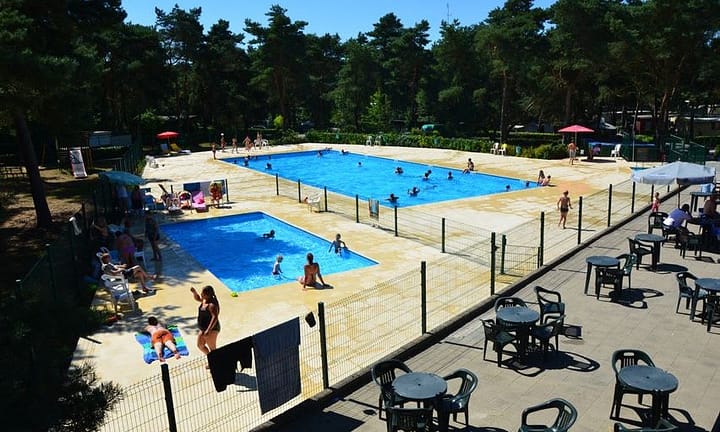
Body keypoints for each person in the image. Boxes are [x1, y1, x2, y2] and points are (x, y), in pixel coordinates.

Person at [190, 286, 220, 356]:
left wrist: (208, 330)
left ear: (207, 295)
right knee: (200, 345)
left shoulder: (211, 305)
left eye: (202, 293)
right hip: (203, 329)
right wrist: (194, 292)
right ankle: (211, 357)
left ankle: (215, 361)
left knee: (212, 349)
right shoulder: (205, 300)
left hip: (212, 329)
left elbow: (215, 317)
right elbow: (197, 298)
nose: (201, 294)